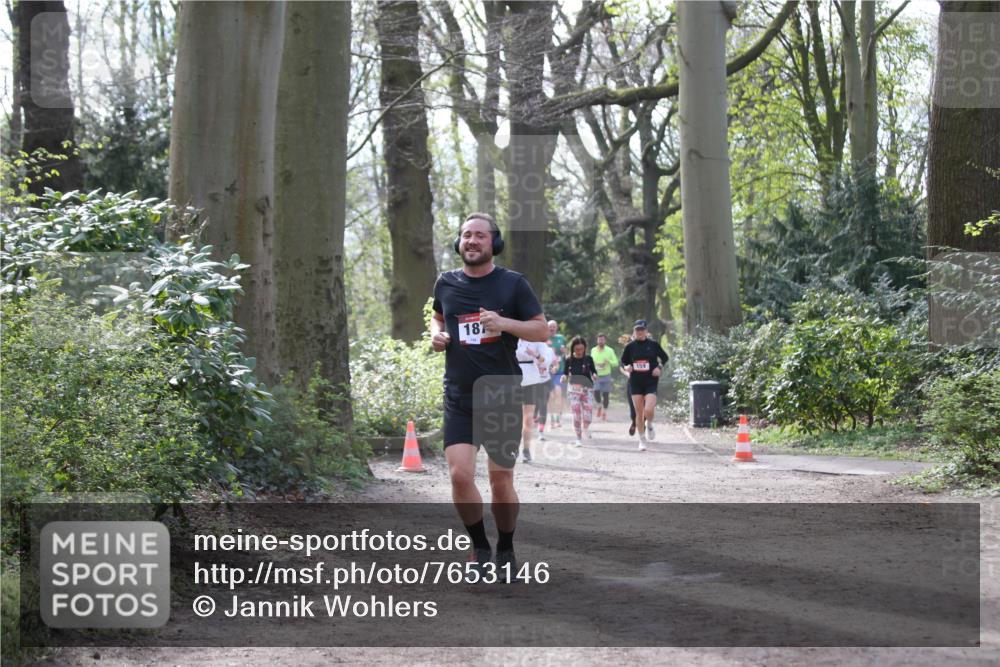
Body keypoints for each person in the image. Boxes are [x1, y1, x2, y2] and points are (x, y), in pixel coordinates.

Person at [430, 213, 549, 571]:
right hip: (460, 395)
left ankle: (507, 548)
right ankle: (480, 547)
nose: (472, 241)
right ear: (459, 242)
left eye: (480, 236)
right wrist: (437, 335)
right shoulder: (445, 283)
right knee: (459, 475)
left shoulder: (512, 285)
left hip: (501, 394)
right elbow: (439, 316)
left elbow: (541, 331)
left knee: (500, 481)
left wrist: (504, 324)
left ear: (493, 243)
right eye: (466, 235)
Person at [619, 320, 669, 451]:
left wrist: (659, 367)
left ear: (646, 331)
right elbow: (622, 361)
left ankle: (650, 424)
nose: (639, 332)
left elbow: (665, 357)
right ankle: (642, 440)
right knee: (638, 413)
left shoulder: (653, 345)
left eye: (642, 330)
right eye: (637, 330)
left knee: (648, 410)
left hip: (650, 381)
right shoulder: (630, 346)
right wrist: (627, 366)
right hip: (635, 382)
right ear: (634, 332)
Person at [516, 338, 553, 463]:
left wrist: (535, 354)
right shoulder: (509, 334)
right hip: (512, 376)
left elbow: (546, 360)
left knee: (528, 418)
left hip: (531, 378)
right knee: (513, 416)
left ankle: (526, 449)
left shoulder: (536, 339)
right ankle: (513, 447)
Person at [560, 336, 598, 446]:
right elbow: (565, 373)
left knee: (588, 416)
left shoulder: (588, 359)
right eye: (577, 349)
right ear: (573, 349)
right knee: (576, 415)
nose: (580, 351)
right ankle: (578, 437)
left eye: (582, 349)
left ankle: (585, 428)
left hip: (587, 389)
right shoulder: (569, 359)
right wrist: (563, 377)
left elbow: (594, 371)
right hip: (573, 390)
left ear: (585, 348)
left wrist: (595, 375)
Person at [590, 333, 618, 421]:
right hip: (596, 375)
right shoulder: (593, 350)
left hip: (606, 375)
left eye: (602, 340)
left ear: (605, 341)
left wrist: (608, 361)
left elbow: (616, 363)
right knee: (596, 391)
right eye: (599, 340)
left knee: (606, 395)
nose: (601, 341)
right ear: (597, 341)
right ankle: (599, 405)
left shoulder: (610, 350)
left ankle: (604, 412)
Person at [546, 320, 567, 429]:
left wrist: (564, 351)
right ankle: (552, 419)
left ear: (557, 328)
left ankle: (558, 418)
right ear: (547, 327)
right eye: (550, 326)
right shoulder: (543, 338)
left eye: (554, 326)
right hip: (547, 371)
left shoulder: (561, 338)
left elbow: (566, 353)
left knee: (558, 393)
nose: (552, 328)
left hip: (560, 370)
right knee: (551, 396)